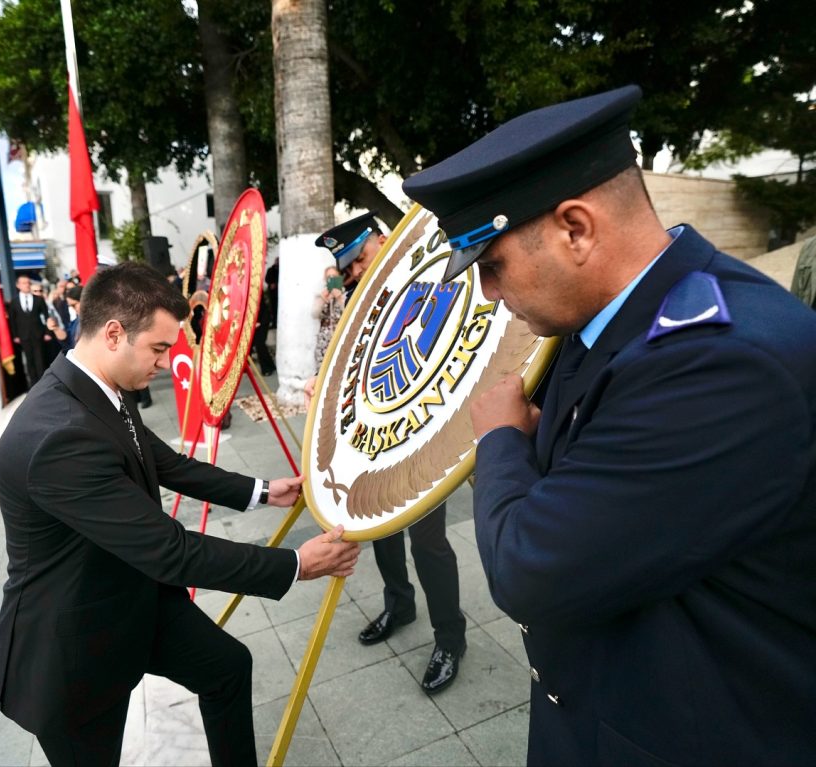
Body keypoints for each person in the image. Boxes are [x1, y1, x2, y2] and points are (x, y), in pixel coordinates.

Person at [402, 85, 816, 766]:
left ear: (576, 228)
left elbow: (529, 567)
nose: (487, 295)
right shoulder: (606, 320)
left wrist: (500, 439)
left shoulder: (720, 364)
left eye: (494, 265)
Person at [0, 262, 359, 766]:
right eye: (159, 348)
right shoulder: (58, 436)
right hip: (75, 642)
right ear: (114, 333)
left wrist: (263, 491)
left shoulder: (99, 387)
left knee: (226, 666)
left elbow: (163, 462)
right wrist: (296, 565)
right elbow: (169, 550)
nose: (165, 363)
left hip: (131, 594)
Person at [308, 213, 468, 694]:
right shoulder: (358, 300)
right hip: (375, 433)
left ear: (384, 239)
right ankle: (400, 604)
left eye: (358, 257)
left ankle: (450, 637)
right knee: (376, 524)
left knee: (427, 539)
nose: (355, 271)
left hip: (428, 429)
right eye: (349, 267)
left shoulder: (439, 270)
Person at [7, 274, 50, 387]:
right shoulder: (14, 301)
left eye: (28, 283)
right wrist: (15, 335)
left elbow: (46, 317)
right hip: (24, 335)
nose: (27, 285)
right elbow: (13, 319)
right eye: (24, 283)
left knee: (40, 360)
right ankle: (33, 385)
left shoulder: (38, 299)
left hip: (38, 334)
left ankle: (43, 385)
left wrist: (47, 332)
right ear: (18, 285)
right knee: (29, 361)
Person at [311, 265, 346, 372]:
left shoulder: (346, 294)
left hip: (341, 336)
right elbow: (314, 314)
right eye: (329, 277)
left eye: (334, 276)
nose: (331, 279)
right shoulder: (322, 294)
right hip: (324, 339)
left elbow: (348, 311)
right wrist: (322, 299)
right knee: (323, 368)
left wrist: (339, 297)